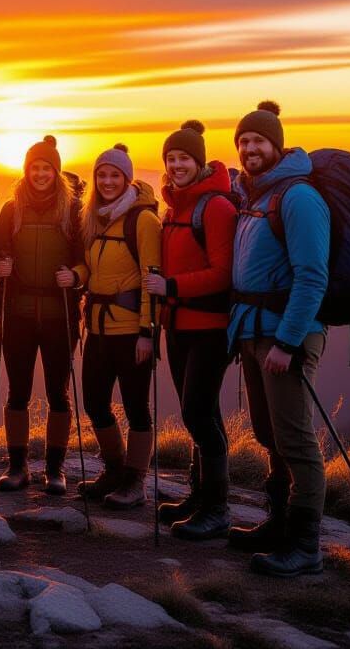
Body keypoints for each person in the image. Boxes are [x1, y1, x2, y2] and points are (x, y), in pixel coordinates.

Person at [226, 101, 330, 577]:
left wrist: (287, 343)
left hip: (285, 337)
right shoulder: (256, 195)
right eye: (243, 141)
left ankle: (305, 547)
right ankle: (279, 523)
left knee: (295, 440)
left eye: (258, 141)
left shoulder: (298, 197)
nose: (249, 148)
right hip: (254, 332)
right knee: (269, 434)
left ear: (277, 145)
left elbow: (312, 276)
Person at [144, 121, 237, 539]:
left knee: (197, 412)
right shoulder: (176, 206)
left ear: (199, 162)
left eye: (184, 158)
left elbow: (223, 272)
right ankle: (201, 496)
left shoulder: (215, 208)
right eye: (171, 158)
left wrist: (171, 287)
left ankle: (217, 509)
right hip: (178, 326)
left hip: (210, 328)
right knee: (202, 411)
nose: (176, 165)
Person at [0, 135, 83, 494]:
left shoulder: (73, 210)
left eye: (47, 168)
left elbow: (84, 257)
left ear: (56, 171)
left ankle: (54, 469)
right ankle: (18, 467)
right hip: (18, 312)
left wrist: (76, 276)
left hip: (61, 313)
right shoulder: (11, 209)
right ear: (26, 170)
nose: (41, 174)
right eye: (35, 167)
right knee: (18, 391)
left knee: (58, 393)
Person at [77, 143, 162, 509]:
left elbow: (151, 278)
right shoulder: (95, 217)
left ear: (127, 179)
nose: (107, 181)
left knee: (136, 407)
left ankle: (135, 481)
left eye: (115, 175)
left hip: (131, 332)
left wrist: (147, 333)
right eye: (102, 175)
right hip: (97, 330)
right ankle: (114, 470)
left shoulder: (143, 221)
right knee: (95, 402)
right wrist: (76, 275)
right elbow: (92, 267)